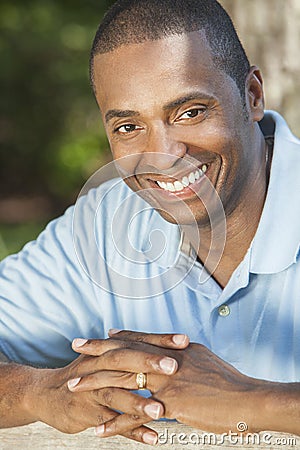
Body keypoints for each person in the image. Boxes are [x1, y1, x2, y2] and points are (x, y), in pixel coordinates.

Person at [0, 0, 299, 446]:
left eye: (191, 112)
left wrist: (249, 401)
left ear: (252, 95)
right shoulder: (103, 223)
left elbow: (242, 405)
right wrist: (43, 392)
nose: (164, 154)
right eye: (128, 127)